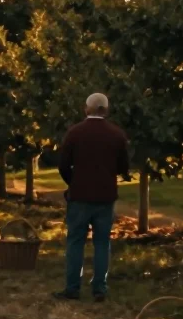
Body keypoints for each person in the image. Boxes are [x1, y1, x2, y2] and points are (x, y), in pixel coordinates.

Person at [55, 93, 130, 302]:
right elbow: (123, 166)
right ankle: (99, 288)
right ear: (105, 110)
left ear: (86, 108)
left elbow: (62, 165)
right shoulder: (117, 135)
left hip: (80, 196)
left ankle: (72, 287)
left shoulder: (75, 133)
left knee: (76, 241)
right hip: (105, 196)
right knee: (101, 242)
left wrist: (74, 182)